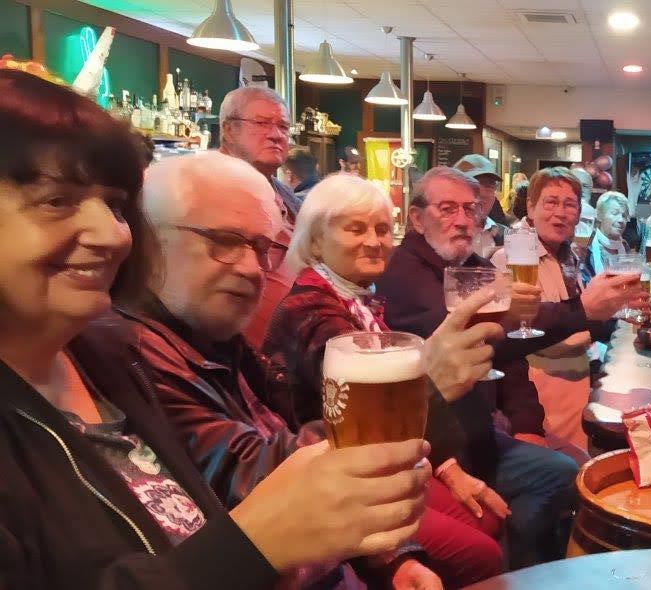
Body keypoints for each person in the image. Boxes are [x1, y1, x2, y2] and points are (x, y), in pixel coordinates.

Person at [0, 69, 430, 589]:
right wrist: (256, 545)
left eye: (114, 205)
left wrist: (387, 557)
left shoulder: (106, 356)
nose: (111, 234)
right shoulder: (141, 348)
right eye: (57, 201)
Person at [122, 151, 504, 588]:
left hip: (337, 545)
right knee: (485, 542)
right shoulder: (136, 352)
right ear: (146, 239)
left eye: (261, 247)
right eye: (223, 241)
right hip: (309, 555)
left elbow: (289, 439)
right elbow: (254, 471)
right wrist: (421, 390)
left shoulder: (217, 336)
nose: (250, 268)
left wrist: (393, 559)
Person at [377, 166, 641, 568]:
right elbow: (488, 339)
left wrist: (526, 423)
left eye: (470, 209)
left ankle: (529, 566)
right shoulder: (406, 272)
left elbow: (509, 355)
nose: (463, 220)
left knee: (568, 472)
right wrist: (582, 310)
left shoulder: (474, 264)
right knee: (567, 477)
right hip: (438, 447)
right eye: (447, 209)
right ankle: (513, 568)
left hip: (480, 433)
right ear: (416, 218)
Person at [260, 174, 512, 586]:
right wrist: (447, 464)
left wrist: (448, 467)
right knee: (482, 550)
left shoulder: (358, 299)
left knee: (488, 520)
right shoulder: (312, 309)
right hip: (335, 481)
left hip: (382, 462)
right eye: (355, 229)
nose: (374, 241)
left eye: (381, 229)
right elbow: (373, 416)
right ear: (317, 241)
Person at [492, 168, 611, 462]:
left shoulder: (569, 255)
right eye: (551, 202)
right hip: (539, 400)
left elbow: (578, 321)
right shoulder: (508, 257)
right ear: (530, 207)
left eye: (569, 205)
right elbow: (508, 342)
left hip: (576, 392)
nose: (560, 213)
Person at [217, 86, 298, 348]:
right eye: (262, 123)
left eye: (283, 127)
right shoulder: (205, 187)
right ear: (229, 129)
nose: (276, 134)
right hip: (230, 353)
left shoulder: (286, 196)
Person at [454, 154, 506, 258]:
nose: (482, 193)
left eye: (489, 185)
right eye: (472, 185)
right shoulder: (441, 236)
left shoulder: (505, 235)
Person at [583, 190, 630, 283]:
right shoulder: (586, 247)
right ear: (599, 216)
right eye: (615, 213)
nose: (621, 220)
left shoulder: (625, 246)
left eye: (624, 216)